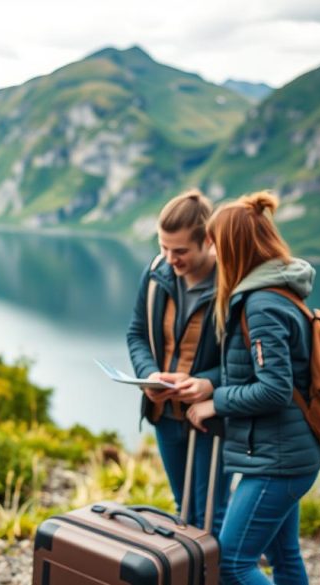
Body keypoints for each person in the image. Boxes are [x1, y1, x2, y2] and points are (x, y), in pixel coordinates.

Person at [186, 191, 320, 584]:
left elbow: (274, 389)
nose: (212, 254)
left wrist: (216, 401)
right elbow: (254, 371)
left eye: (215, 243)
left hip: (277, 461)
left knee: (231, 564)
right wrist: (209, 382)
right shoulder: (278, 293)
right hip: (285, 454)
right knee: (285, 558)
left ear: (233, 248)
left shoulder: (261, 306)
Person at [126, 189, 230, 535]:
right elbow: (137, 334)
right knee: (181, 512)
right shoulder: (157, 273)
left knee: (210, 518)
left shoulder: (230, 285)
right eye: (163, 247)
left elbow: (243, 361)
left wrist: (208, 383)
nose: (170, 258)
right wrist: (149, 374)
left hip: (210, 420)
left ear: (208, 242)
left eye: (180, 250)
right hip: (165, 415)